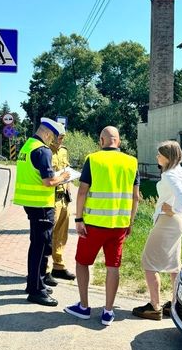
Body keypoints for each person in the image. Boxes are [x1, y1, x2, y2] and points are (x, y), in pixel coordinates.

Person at [64, 126, 140, 326]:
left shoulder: (93, 159)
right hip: (119, 226)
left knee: (82, 262)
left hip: (94, 225)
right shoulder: (132, 162)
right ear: (119, 141)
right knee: (113, 266)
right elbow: (136, 197)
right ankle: (107, 312)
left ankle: (84, 307)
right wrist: (130, 222)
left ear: (101, 140)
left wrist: (79, 219)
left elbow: (82, 192)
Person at [13, 117, 70, 307]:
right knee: (40, 247)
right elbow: (48, 181)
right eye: (53, 136)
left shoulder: (27, 146)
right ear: (46, 132)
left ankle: (34, 284)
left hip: (30, 204)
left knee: (36, 245)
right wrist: (62, 177)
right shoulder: (42, 150)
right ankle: (37, 290)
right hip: (42, 205)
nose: (53, 140)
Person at [132, 140, 182, 320]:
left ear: (167, 157)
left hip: (168, 221)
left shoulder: (170, 174)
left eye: (159, 154)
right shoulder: (180, 171)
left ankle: (154, 306)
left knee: (149, 261)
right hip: (176, 222)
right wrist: (177, 211)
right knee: (173, 265)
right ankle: (173, 304)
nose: (157, 157)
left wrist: (174, 209)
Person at [47, 131, 76, 282]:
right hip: (50, 198)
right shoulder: (45, 150)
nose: (60, 140)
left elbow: (67, 172)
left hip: (63, 198)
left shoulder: (64, 150)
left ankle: (58, 267)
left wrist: (69, 192)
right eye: (58, 136)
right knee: (48, 236)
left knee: (61, 235)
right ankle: (44, 271)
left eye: (63, 137)